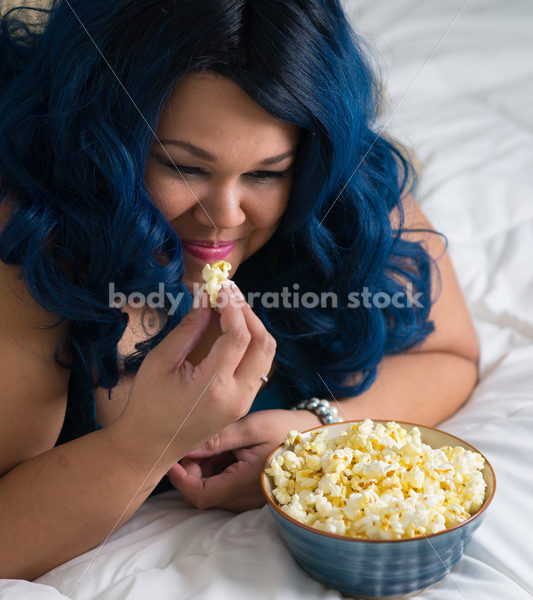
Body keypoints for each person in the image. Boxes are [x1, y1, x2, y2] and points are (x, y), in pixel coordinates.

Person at [0, 0, 479, 581]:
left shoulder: (350, 190)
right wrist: (145, 445)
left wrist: (315, 433)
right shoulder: (32, 239)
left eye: (266, 173)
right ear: (104, 145)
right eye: (184, 168)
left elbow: (450, 354)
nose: (223, 216)